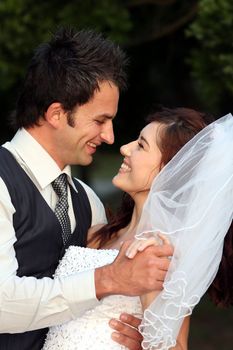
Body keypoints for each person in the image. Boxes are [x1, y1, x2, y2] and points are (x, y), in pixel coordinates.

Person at [0, 28, 173, 350]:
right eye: (100, 120)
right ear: (56, 114)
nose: (109, 137)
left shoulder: (87, 200)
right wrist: (110, 278)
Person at [43, 107, 233, 350]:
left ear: (170, 170)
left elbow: (173, 345)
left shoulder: (161, 252)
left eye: (141, 145)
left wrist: (147, 340)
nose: (125, 148)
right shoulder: (97, 233)